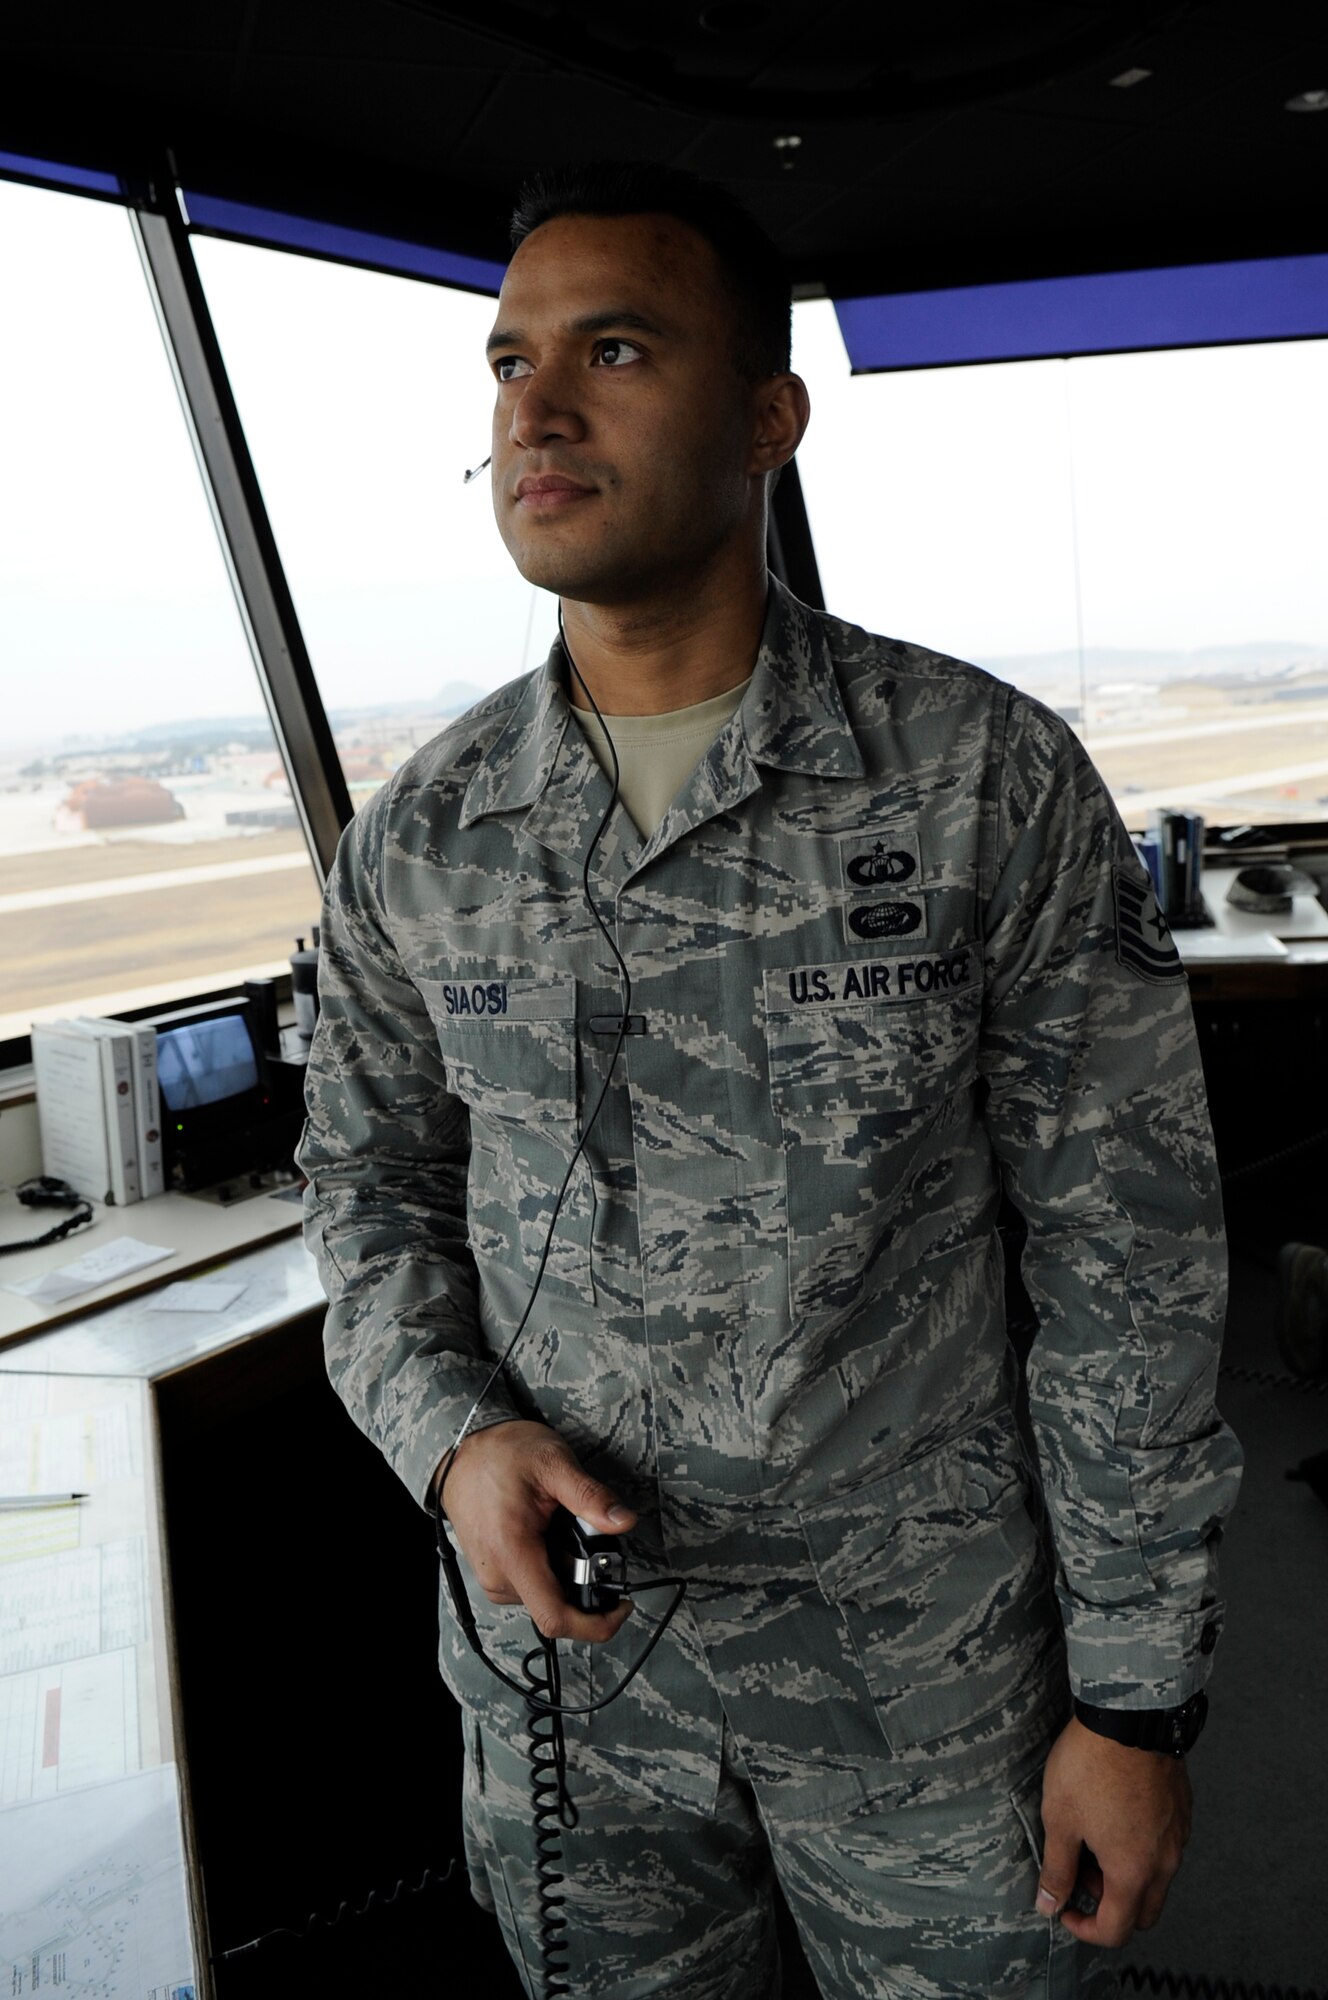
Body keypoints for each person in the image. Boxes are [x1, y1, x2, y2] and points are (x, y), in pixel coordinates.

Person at [299, 161, 1243, 1999]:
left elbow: (1127, 1261)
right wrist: (452, 1437)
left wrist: (1138, 1697)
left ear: (767, 419)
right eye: (508, 365)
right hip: (574, 1690)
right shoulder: (422, 832)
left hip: (935, 1686)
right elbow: (367, 1190)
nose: (536, 413)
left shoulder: (977, 778)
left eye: (615, 350)